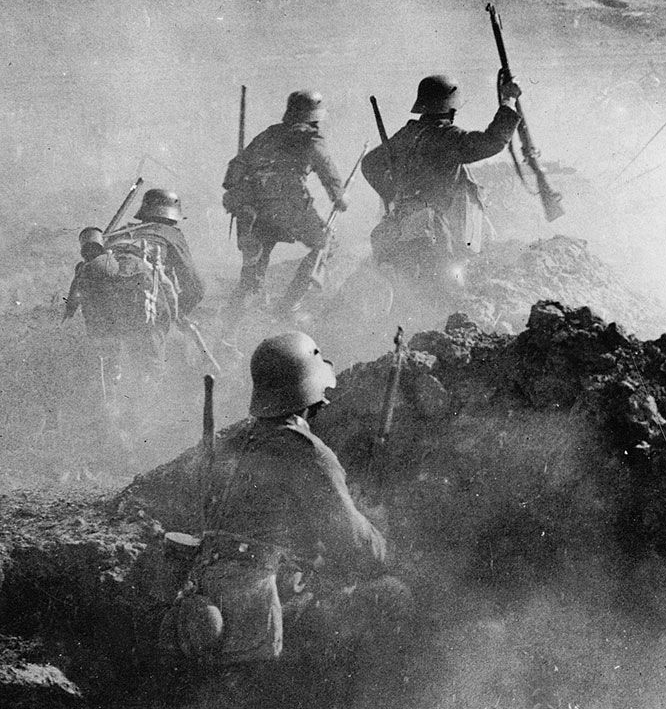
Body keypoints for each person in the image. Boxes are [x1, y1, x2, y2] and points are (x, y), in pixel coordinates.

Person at [171, 331, 406, 666]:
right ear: (310, 390)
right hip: (258, 615)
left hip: (209, 601)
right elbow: (353, 544)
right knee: (394, 594)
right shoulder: (307, 454)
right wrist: (388, 550)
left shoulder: (235, 442)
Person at [360, 72, 522, 285]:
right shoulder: (447, 137)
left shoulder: (408, 133)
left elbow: (369, 163)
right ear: (452, 108)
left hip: (401, 218)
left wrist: (391, 195)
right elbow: (491, 142)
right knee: (444, 286)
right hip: (432, 226)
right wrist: (508, 102)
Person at [223, 90, 349, 316]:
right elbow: (326, 169)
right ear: (314, 116)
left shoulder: (267, 134)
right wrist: (339, 197)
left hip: (253, 207)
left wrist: (238, 191)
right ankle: (290, 305)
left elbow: (234, 171)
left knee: (254, 268)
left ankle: (231, 328)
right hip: (288, 206)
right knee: (326, 243)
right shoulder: (309, 138)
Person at [66, 191, 206, 384]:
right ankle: (144, 406)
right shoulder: (170, 233)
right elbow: (195, 286)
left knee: (107, 357)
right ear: (172, 215)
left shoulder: (121, 232)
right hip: (141, 288)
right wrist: (179, 312)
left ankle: (108, 394)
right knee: (149, 364)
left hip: (98, 288)